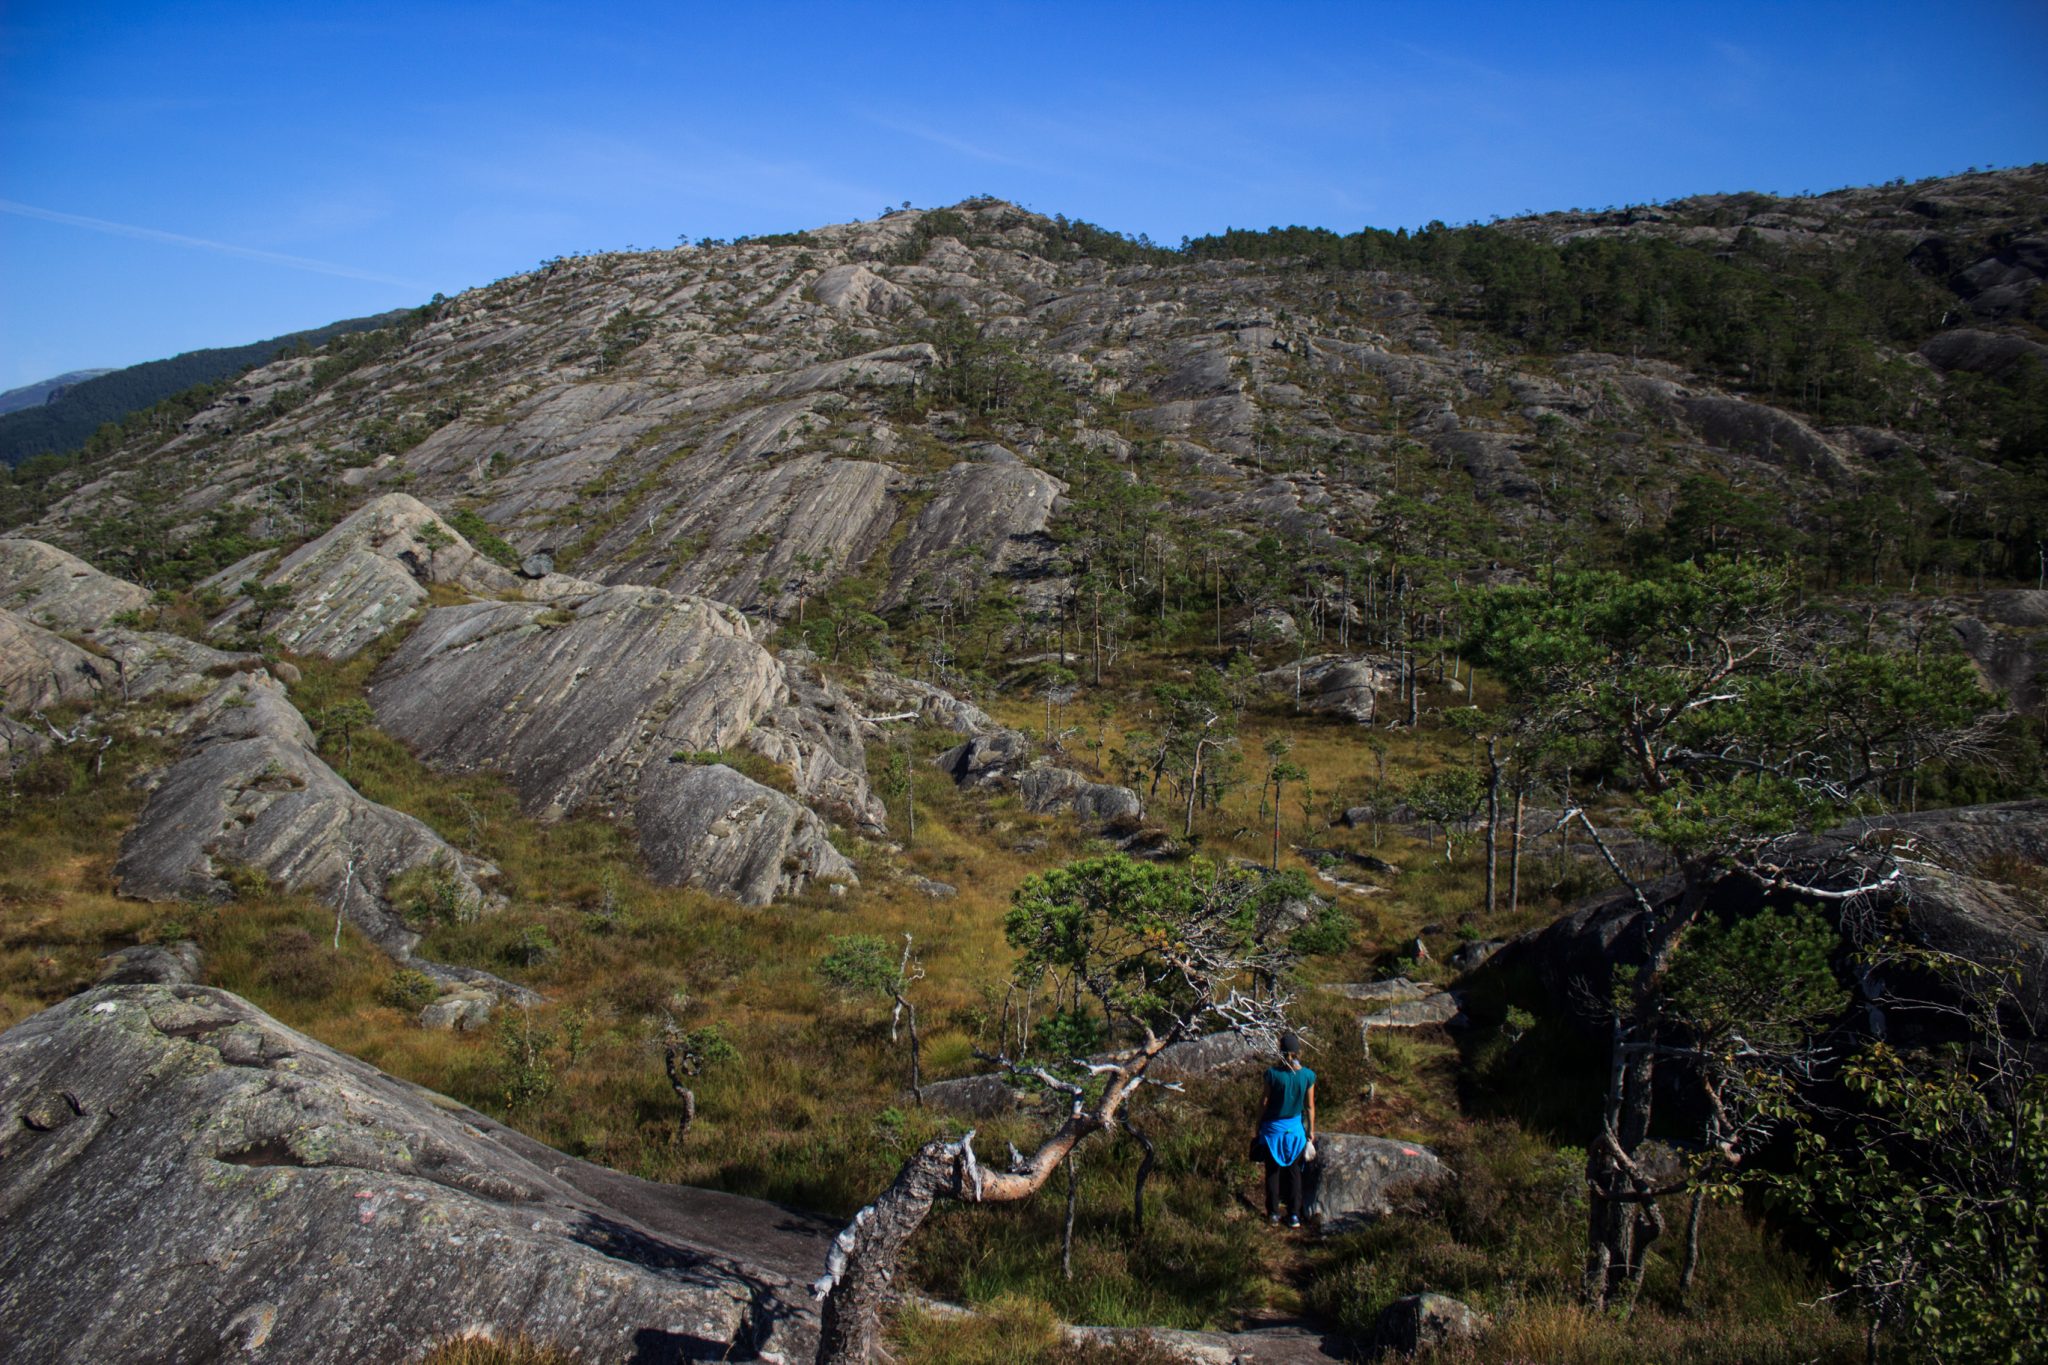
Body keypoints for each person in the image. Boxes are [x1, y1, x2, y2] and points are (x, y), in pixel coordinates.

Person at [1253, 1031, 1316, 1227]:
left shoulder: (1272, 1075)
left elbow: (1264, 1102)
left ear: (1280, 1052)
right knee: (1294, 1172)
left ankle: (1273, 1214)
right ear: (1299, 1052)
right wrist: (1311, 1132)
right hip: (1296, 1131)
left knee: (1272, 1171)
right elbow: (1310, 1106)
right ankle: (1294, 1214)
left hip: (1273, 1131)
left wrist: (1258, 1124)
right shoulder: (1307, 1076)